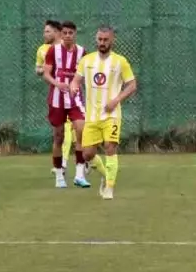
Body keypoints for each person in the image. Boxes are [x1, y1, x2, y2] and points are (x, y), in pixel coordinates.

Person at [69, 26, 136, 200]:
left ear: (112, 40)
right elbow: (76, 80)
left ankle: (110, 188)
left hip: (111, 116)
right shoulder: (87, 61)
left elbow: (132, 85)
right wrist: (74, 87)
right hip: (92, 116)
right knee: (87, 154)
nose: (102, 43)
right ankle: (106, 175)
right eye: (100, 39)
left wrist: (116, 100)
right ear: (96, 39)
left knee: (110, 147)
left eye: (106, 40)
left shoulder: (120, 61)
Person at [42, 21, 90, 189]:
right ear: (61, 35)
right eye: (65, 33)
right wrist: (57, 83)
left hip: (75, 99)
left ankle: (79, 174)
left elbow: (85, 75)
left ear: (75, 34)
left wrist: (77, 84)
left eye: (71, 32)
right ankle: (59, 174)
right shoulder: (53, 51)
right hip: (57, 99)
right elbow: (46, 74)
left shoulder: (82, 52)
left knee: (81, 130)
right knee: (59, 137)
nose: (68, 35)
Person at [35, 19, 73, 173]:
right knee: (61, 131)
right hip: (56, 93)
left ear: (57, 32)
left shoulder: (68, 47)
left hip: (71, 93)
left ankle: (64, 162)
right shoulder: (42, 50)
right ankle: (85, 162)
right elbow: (38, 69)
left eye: (48, 31)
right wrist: (42, 70)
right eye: (44, 31)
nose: (44, 34)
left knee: (71, 128)